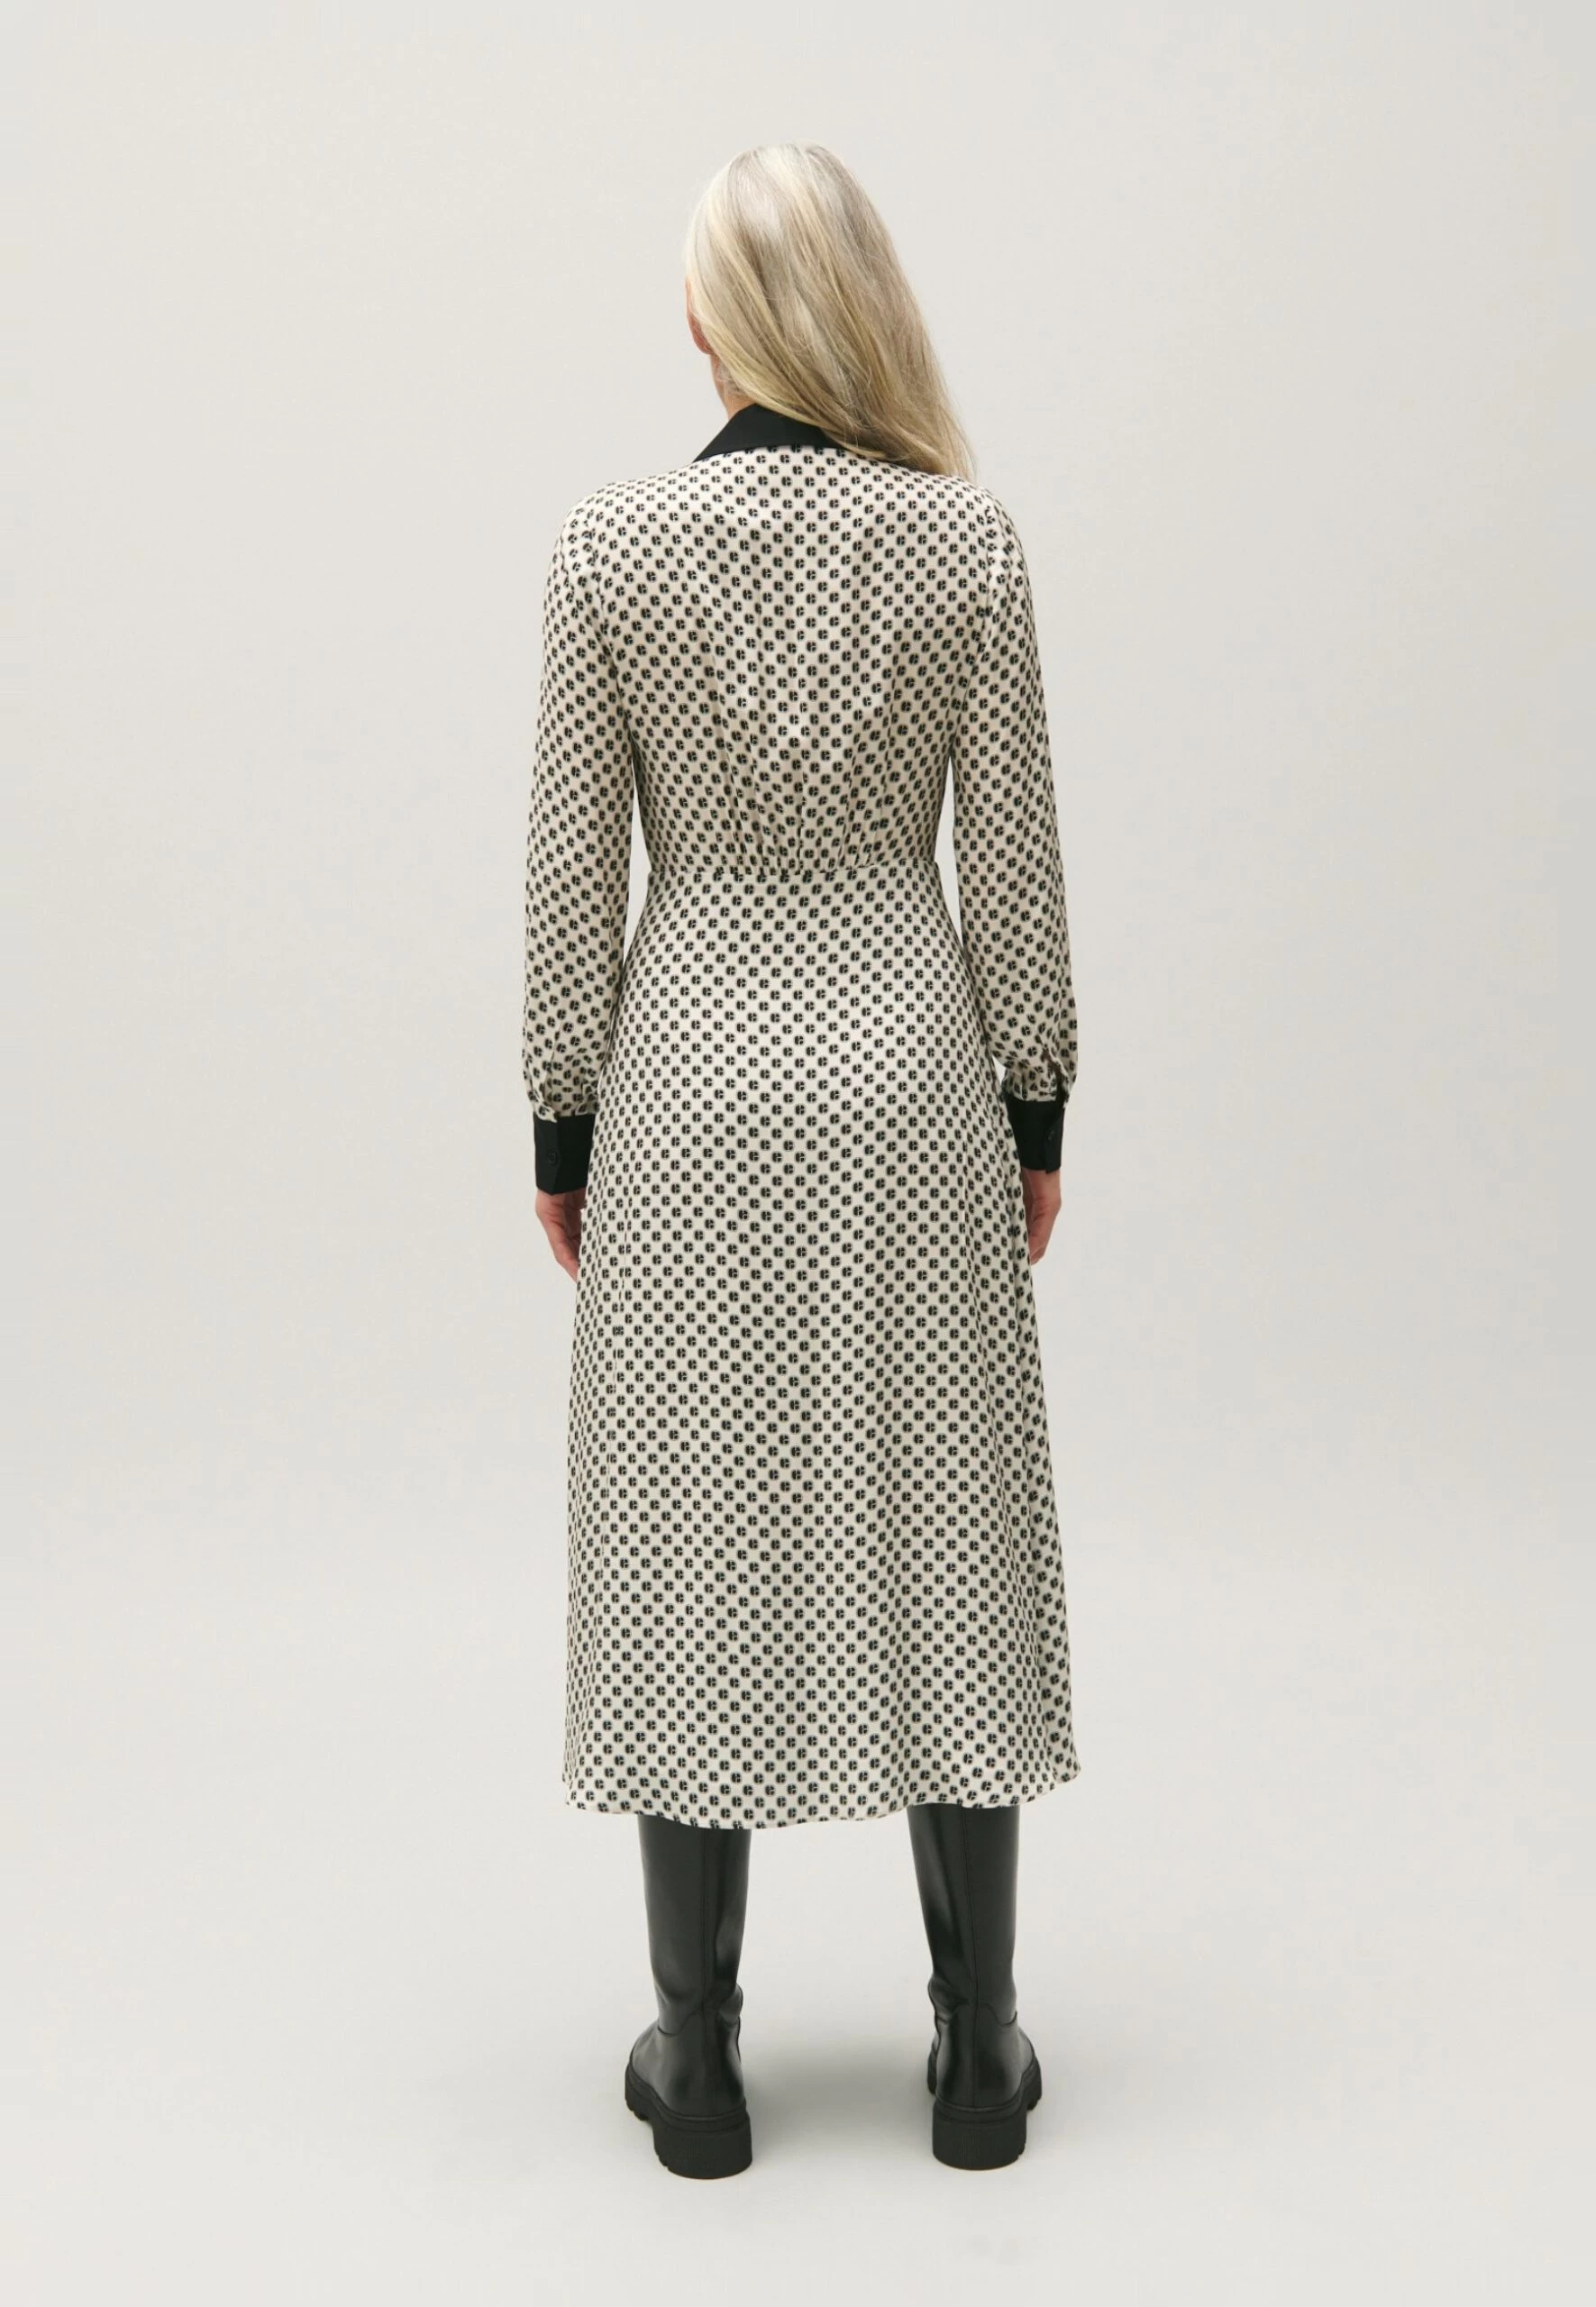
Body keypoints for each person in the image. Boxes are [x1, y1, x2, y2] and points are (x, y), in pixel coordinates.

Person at [522, 142, 1081, 2179]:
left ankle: (699, 2063)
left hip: (687, 1086)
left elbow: (571, 872)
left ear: (705, 316)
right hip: (910, 1080)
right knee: (952, 1519)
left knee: (687, 1530)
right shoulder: (968, 542)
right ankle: (976, 2052)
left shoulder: (609, 545)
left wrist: (562, 1117)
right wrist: (1034, 1107)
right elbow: (1013, 863)